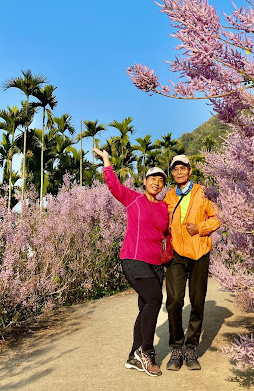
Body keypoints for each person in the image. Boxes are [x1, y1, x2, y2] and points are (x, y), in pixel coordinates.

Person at [93, 147, 169, 377]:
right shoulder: (133, 199)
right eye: (152, 178)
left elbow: (169, 234)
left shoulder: (165, 207)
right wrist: (107, 161)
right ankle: (146, 352)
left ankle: (133, 355)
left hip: (156, 263)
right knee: (155, 298)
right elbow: (113, 185)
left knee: (146, 306)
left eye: (160, 180)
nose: (156, 182)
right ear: (144, 181)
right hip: (134, 258)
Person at [164, 154, 221, 371]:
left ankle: (191, 347)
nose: (179, 171)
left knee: (197, 301)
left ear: (189, 170)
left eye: (183, 168)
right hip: (177, 253)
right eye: (175, 169)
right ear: (172, 173)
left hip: (199, 251)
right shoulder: (168, 196)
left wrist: (201, 228)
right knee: (175, 300)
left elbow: (217, 217)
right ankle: (177, 347)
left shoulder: (203, 192)